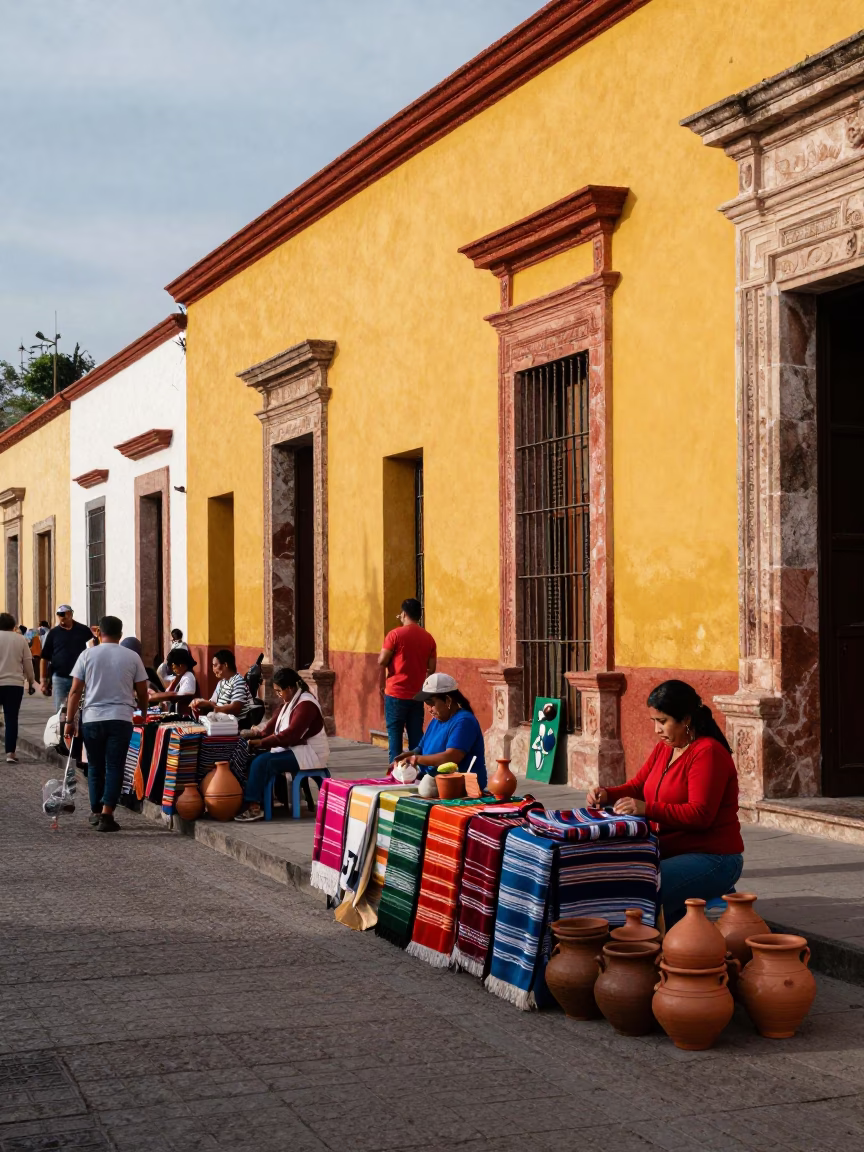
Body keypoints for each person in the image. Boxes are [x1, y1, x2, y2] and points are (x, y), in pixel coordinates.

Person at [587, 679, 744, 928]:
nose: (657, 730)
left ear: (686, 719)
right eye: (654, 722)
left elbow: (700, 814)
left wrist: (647, 809)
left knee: (642, 891)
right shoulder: (665, 748)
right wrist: (606, 794)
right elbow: (638, 786)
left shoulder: (707, 753)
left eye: (663, 722)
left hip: (714, 858)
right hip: (670, 850)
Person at [65, 615, 150, 833]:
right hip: (121, 718)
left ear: (98, 633)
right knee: (115, 766)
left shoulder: (87, 655)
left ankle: (95, 811)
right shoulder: (132, 657)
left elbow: (75, 691)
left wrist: (69, 721)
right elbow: (142, 691)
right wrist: (144, 712)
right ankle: (107, 813)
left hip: (92, 718)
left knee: (94, 766)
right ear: (120, 634)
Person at [234, 667, 330, 822]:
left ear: (290, 688)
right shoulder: (289, 702)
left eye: (280, 691)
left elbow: (290, 735)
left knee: (262, 762)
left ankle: (253, 806)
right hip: (296, 748)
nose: (278, 695)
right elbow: (271, 727)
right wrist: (255, 734)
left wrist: (262, 742)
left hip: (309, 752)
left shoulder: (306, 705)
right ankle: (265, 801)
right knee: (253, 757)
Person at [393, 672, 486, 789]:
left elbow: (452, 756)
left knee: (425, 789)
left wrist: (416, 759)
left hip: (460, 786)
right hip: (435, 781)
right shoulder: (436, 720)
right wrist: (409, 755)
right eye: (426, 704)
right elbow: (421, 748)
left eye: (431, 704)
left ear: (447, 700)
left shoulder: (464, 721)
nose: (429, 709)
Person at [377, 598, 437, 764]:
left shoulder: (395, 635)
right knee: (416, 737)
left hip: (395, 692)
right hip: (417, 695)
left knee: (395, 736)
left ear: (403, 614)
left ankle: (394, 774)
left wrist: (382, 683)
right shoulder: (428, 638)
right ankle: (417, 773)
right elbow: (431, 668)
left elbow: (382, 661)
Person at [40, 605, 94, 712]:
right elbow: (44, 657)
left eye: (63, 615)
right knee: (60, 710)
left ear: (70, 614)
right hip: (60, 677)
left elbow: (93, 650)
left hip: (81, 678)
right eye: (59, 615)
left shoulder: (83, 630)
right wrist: (43, 680)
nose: (61, 618)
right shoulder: (53, 633)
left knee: (80, 709)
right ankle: (61, 728)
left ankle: (77, 728)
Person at [0, 613, 35, 762]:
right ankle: (10, 754)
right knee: (11, 719)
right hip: (14, 684)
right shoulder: (20, 639)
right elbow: (28, 662)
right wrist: (31, 681)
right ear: (13, 625)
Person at [191, 649, 254, 727]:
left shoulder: (238, 682)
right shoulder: (221, 683)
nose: (213, 669)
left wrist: (214, 708)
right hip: (222, 720)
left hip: (235, 723)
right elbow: (213, 702)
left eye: (215, 665)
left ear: (225, 665)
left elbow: (235, 709)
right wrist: (199, 702)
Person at [148, 648, 198, 715]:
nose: (173, 670)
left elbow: (179, 697)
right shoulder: (180, 677)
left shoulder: (188, 677)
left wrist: (154, 697)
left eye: (173, 666)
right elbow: (169, 692)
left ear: (180, 665)